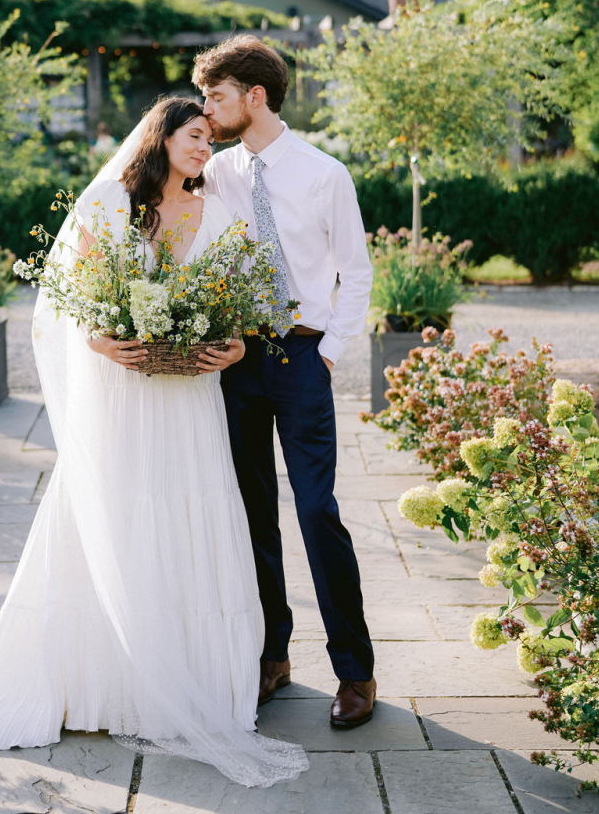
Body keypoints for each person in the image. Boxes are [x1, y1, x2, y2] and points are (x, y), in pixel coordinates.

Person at [0, 96, 307, 789]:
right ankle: (102, 685)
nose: (204, 150)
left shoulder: (220, 211)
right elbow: (66, 301)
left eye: (210, 140)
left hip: (188, 396)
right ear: (162, 136)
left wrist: (235, 344)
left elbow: (241, 307)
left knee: (189, 512)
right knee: (117, 511)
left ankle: (195, 685)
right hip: (123, 391)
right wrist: (102, 338)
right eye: (195, 136)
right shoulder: (106, 203)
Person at [193, 36, 377, 729]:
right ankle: (272, 656)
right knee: (249, 513)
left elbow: (355, 272)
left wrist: (327, 352)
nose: (207, 111)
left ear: (255, 95)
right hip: (237, 361)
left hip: (302, 359)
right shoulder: (215, 173)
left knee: (316, 511)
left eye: (216, 96)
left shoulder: (324, 173)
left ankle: (355, 672)